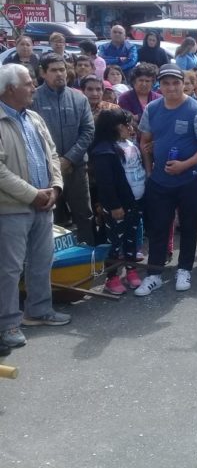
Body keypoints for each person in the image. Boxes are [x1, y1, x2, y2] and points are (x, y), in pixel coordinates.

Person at [0, 64, 70, 351]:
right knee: (9, 269)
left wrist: (55, 187)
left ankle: (39, 311)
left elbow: (52, 154)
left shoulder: (34, 118)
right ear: (9, 89)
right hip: (11, 208)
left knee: (42, 261)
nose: (33, 87)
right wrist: (32, 194)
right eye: (28, 83)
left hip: (43, 204)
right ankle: (7, 324)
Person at [135, 64, 197, 296]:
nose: (171, 87)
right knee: (158, 228)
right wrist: (150, 170)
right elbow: (145, 141)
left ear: (183, 83)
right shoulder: (152, 108)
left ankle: (184, 269)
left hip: (189, 179)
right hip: (159, 181)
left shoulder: (196, 110)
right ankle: (154, 274)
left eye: (175, 82)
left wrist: (185, 164)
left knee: (189, 227)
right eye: (165, 83)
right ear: (159, 86)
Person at [31, 53, 95, 245]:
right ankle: (57, 263)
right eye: (54, 70)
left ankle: (88, 257)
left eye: (62, 69)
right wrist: (54, 162)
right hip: (46, 170)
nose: (60, 74)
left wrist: (68, 159)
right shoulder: (33, 98)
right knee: (53, 217)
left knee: (84, 214)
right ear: (43, 73)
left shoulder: (79, 98)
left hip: (75, 167)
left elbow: (88, 131)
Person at [90, 108, 145, 294]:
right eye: (125, 124)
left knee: (131, 239)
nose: (129, 128)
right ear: (113, 127)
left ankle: (131, 270)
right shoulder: (103, 152)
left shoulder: (128, 144)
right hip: (118, 206)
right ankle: (112, 277)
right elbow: (106, 184)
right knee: (115, 242)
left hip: (134, 201)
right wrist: (114, 206)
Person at [118, 62, 161, 128]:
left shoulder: (159, 99)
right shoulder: (124, 98)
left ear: (153, 83)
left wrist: (138, 116)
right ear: (134, 81)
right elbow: (128, 120)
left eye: (147, 81)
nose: (144, 84)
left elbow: (160, 118)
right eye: (141, 80)